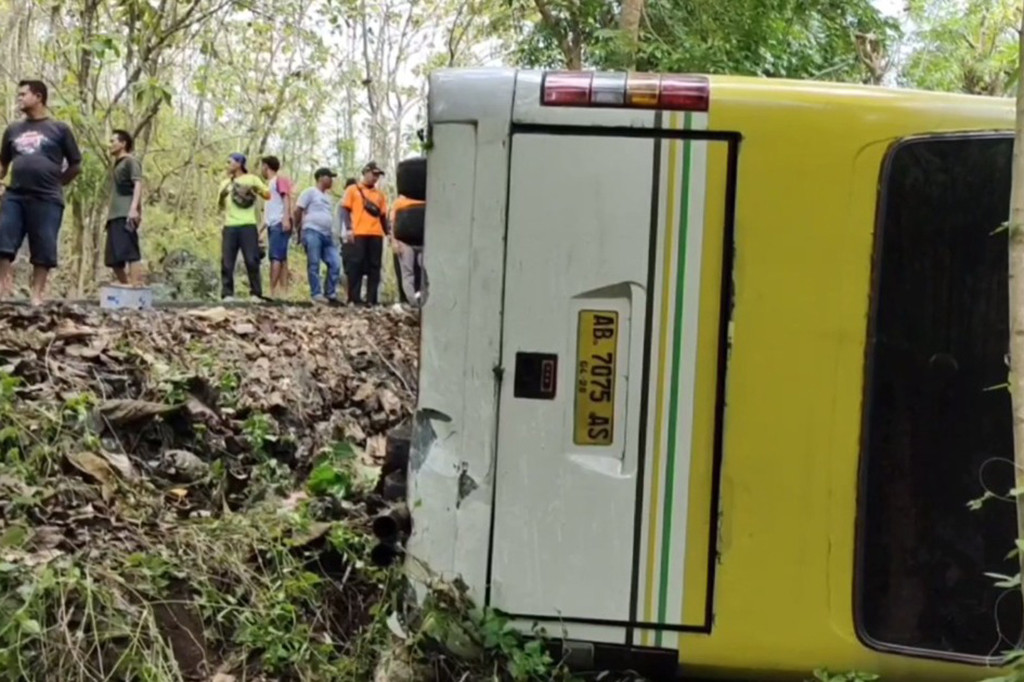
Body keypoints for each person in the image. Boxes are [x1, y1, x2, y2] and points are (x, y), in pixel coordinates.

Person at [0, 79, 82, 305]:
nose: (19, 98)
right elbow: (3, 164)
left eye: (23, 94)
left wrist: (59, 182)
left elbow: (76, 164)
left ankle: (37, 295)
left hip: (47, 197)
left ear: (38, 97)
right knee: (3, 238)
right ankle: (3, 290)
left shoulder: (59, 129)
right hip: (15, 195)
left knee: (44, 246)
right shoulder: (13, 130)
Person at [217, 152, 269, 300]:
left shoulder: (252, 179)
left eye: (230, 162)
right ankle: (227, 294)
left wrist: (255, 190)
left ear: (239, 164)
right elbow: (220, 206)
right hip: (229, 225)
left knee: (252, 260)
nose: (227, 165)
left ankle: (255, 293)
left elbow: (268, 195)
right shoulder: (224, 183)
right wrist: (223, 195)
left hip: (248, 224)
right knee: (227, 261)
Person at [340, 161, 389, 305]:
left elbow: (383, 216)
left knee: (375, 266)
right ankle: (354, 297)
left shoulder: (380, 195)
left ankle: (371, 299)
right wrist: (348, 228)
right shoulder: (352, 190)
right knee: (356, 265)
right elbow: (345, 210)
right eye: (374, 174)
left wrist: (388, 234)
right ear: (366, 172)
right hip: (359, 232)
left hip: (376, 234)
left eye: (378, 176)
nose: (375, 178)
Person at [295, 167, 343, 304]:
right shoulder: (310, 192)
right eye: (329, 177)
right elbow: (298, 209)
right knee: (314, 262)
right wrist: (298, 228)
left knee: (335, 263)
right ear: (321, 177)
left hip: (327, 235)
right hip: (312, 231)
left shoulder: (328, 198)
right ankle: (316, 293)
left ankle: (330, 293)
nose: (332, 180)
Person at [104, 129, 143, 285]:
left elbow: (138, 184)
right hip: (114, 215)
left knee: (130, 252)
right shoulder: (117, 165)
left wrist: (134, 209)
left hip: (125, 213)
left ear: (123, 143)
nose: (110, 145)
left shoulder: (130, 161)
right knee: (112, 258)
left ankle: (134, 287)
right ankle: (125, 286)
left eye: (113, 141)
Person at [260, 155, 294, 298]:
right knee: (282, 257)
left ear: (266, 166)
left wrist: (286, 218)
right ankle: (283, 292)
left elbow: (286, 197)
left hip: (279, 223)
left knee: (276, 257)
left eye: (262, 166)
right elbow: (269, 211)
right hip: (272, 223)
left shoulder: (279, 180)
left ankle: (273, 291)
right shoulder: (268, 185)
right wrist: (260, 229)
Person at [390, 195, 427, 307]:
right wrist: (394, 241)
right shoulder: (399, 202)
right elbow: (392, 223)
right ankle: (412, 302)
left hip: (423, 242)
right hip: (405, 241)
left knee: (424, 271)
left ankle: (423, 300)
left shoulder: (426, 201)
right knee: (407, 272)